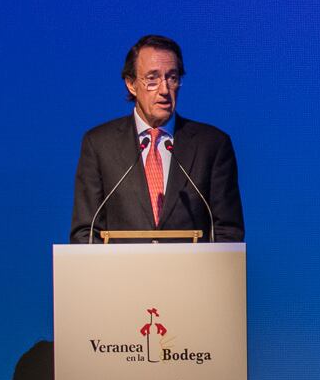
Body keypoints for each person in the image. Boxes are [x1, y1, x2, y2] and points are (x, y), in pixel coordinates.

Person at [70, 34, 244, 243]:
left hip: (190, 274)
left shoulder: (212, 145)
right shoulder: (99, 144)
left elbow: (227, 232)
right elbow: (86, 232)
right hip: (120, 274)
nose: (164, 90)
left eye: (172, 78)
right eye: (152, 79)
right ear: (131, 84)